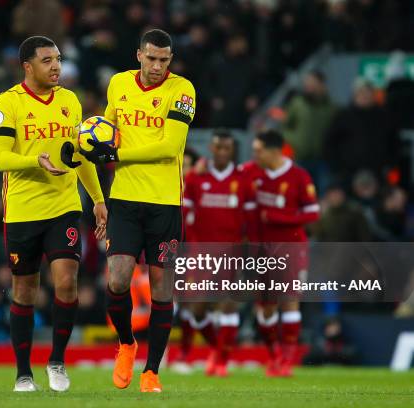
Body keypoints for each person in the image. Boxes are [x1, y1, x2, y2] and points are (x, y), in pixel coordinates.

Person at [78, 29, 195, 392]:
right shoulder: (118, 84)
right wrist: (80, 146)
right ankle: (126, 343)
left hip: (164, 202)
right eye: (152, 58)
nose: (158, 66)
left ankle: (152, 371)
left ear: (170, 60)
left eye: (165, 60)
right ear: (139, 56)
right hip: (124, 199)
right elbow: (106, 130)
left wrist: (114, 155)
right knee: (116, 280)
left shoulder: (182, 90)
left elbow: (169, 146)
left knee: (162, 288)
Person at [0, 36, 106, 392]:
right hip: (23, 209)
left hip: (64, 206)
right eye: (47, 60)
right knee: (25, 290)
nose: (56, 66)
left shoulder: (70, 100)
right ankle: (23, 373)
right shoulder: (7, 103)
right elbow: (0, 158)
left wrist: (99, 199)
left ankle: (57, 361)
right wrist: (34, 162)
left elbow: (80, 154)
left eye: (58, 59)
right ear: (27, 66)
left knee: (67, 281)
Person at [250, 129, 319, 377]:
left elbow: (313, 212)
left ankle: (287, 361)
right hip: (262, 250)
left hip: (292, 248)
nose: (254, 154)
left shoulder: (299, 176)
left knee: (290, 300)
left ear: (274, 151)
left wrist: (280, 217)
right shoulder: (252, 172)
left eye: (258, 150)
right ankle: (274, 355)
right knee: (266, 307)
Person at [181, 129, 244, 377]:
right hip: (201, 254)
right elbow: (184, 217)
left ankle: (221, 361)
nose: (221, 152)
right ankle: (217, 350)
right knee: (197, 310)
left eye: (226, 148)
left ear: (233, 151)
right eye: (217, 147)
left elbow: (249, 217)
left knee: (228, 305)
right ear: (211, 149)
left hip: (232, 252)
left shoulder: (242, 179)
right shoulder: (196, 180)